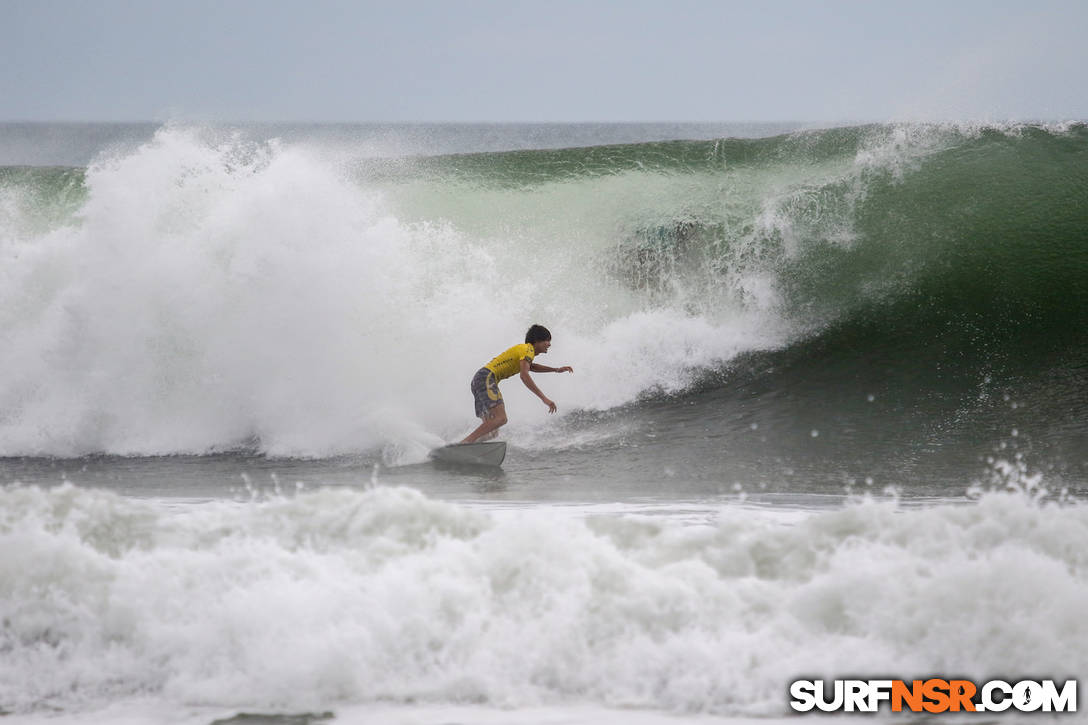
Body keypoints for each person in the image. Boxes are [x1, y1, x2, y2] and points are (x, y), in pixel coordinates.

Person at [461, 324, 573, 444]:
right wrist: (544, 399)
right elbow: (524, 375)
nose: (549, 344)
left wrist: (556, 369)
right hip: (487, 378)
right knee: (501, 419)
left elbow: (532, 367)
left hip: (479, 380)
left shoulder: (525, 352)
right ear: (537, 341)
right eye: (547, 340)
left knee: (492, 432)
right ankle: (465, 443)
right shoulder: (528, 349)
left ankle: (468, 447)